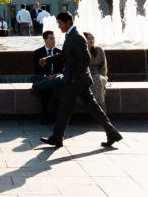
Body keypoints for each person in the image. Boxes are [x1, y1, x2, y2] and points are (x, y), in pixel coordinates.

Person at [39, 11, 122, 149]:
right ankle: (112, 133)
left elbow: (86, 59)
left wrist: (73, 78)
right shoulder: (70, 35)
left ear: (68, 22)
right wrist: (47, 60)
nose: (59, 26)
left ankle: (57, 137)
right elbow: (64, 55)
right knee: (93, 108)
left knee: (64, 108)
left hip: (76, 80)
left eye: (60, 23)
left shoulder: (77, 37)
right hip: (79, 80)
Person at [32, 30, 62, 124]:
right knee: (44, 90)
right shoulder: (38, 52)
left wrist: (54, 76)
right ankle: (45, 115)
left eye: (54, 38)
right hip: (43, 79)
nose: (54, 40)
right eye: (51, 38)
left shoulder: (59, 52)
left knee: (58, 88)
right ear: (45, 40)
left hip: (56, 79)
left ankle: (58, 117)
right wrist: (46, 76)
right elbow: (36, 70)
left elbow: (62, 69)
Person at [86, 32, 108, 106]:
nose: (91, 40)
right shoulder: (81, 51)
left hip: (99, 75)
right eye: (89, 39)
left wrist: (103, 76)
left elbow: (104, 66)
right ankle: (95, 108)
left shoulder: (99, 50)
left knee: (97, 80)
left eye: (92, 38)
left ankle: (99, 106)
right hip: (86, 75)